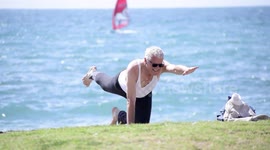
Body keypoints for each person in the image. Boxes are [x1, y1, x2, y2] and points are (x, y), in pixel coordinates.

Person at [82, 46, 198, 125]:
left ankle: (118, 115)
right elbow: (131, 101)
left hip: (144, 94)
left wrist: (185, 69)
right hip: (122, 86)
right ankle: (92, 73)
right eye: (154, 64)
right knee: (105, 83)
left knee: (142, 125)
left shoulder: (161, 67)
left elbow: (173, 67)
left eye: (160, 64)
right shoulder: (134, 68)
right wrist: (130, 129)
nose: (157, 68)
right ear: (145, 61)